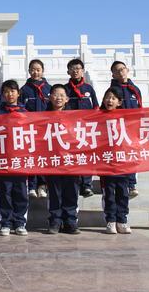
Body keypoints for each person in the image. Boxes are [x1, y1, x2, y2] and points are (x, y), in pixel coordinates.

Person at [45, 84, 80, 234]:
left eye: (61, 95)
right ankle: (55, 221)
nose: (58, 98)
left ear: (66, 99)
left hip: (70, 161)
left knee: (71, 192)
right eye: (55, 94)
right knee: (54, 192)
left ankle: (70, 221)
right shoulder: (42, 117)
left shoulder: (75, 116)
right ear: (50, 97)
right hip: (52, 160)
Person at [0, 80, 29, 236]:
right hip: (3, 158)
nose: (10, 94)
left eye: (13, 91)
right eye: (7, 91)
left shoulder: (26, 112)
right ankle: (6, 222)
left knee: (20, 191)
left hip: (20, 158)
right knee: (5, 191)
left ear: (18, 93)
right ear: (3, 94)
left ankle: (20, 222)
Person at [65, 58, 99, 198]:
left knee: (86, 157)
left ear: (82, 70)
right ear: (68, 71)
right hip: (70, 130)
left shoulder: (88, 89)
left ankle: (86, 185)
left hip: (86, 129)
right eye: (72, 68)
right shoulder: (65, 89)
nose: (75, 71)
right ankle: (75, 183)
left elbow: (96, 107)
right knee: (72, 157)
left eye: (78, 68)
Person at [100, 87, 132, 234]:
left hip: (122, 162)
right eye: (107, 97)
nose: (109, 100)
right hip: (106, 163)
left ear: (119, 102)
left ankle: (122, 220)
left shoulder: (127, 118)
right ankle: (111, 220)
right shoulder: (97, 118)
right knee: (109, 193)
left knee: (123, 193)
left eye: (113, 98)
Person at [110, 60, 142, 197]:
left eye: (122, 69)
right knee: (123, 157)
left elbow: (140, 109)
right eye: (117, 70)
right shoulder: (112, 91)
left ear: (127, 70)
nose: (121, 72)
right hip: (119, 130)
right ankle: (125, 183)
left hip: (133, 129)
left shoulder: (135, 89)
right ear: (113, 75)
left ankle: (132, 184)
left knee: (132, 156)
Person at [20, 59, 51, 199]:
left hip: (45, 129)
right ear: (29, 71)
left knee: (44, 157)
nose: (35, 72)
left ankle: (42, 185)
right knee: (31, 157)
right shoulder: (24, 90)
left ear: (42, 71)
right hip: (30, 130)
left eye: (38, 69)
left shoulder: (49, 89)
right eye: (32, 69)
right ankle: (31, 185)